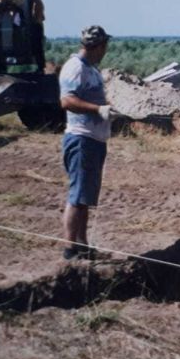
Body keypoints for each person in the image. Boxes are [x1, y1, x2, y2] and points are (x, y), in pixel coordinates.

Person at [58, 25, 115, 260]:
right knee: (77, 195)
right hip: (81, 138)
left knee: (85, 199)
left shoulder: (91, 69)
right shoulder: (75, 68)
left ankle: (82, 246)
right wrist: (99, 109)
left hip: (94, 139)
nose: (106, 50)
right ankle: (70, 249)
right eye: (105, 46)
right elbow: (67, 101)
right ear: (98, 46)